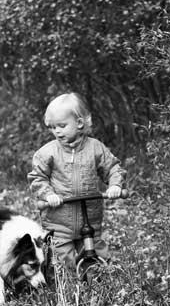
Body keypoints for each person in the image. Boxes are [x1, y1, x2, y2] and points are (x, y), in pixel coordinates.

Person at [28, 92, 125, 268]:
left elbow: (112, 168)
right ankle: (70, 289)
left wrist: (115, 185)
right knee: (63, 259)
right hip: (59, 220)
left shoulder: (95, 148)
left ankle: (97, 286)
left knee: (97, 255)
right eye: (52, 127)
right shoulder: (47, 153)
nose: (56, 131)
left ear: (79, 123)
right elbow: (38, 178)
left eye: (62, 126)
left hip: (91, 218)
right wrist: (48, 194)